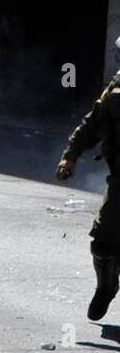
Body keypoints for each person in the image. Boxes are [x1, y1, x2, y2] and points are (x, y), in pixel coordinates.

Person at [56, 38, 120, 321]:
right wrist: (70, 155)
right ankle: (106, 287)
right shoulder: (115, 89)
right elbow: (93, 122)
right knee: (103, 241)